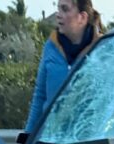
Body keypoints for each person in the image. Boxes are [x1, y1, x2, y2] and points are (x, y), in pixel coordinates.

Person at [25, 0, 104, 133]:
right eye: (58, 9)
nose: (58, 14)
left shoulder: (103, 48)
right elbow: (40, 95)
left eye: (65, 9)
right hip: (49, 138)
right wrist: (27, 136)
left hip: (86, 139)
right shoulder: (51, 46)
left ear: (82, 17)